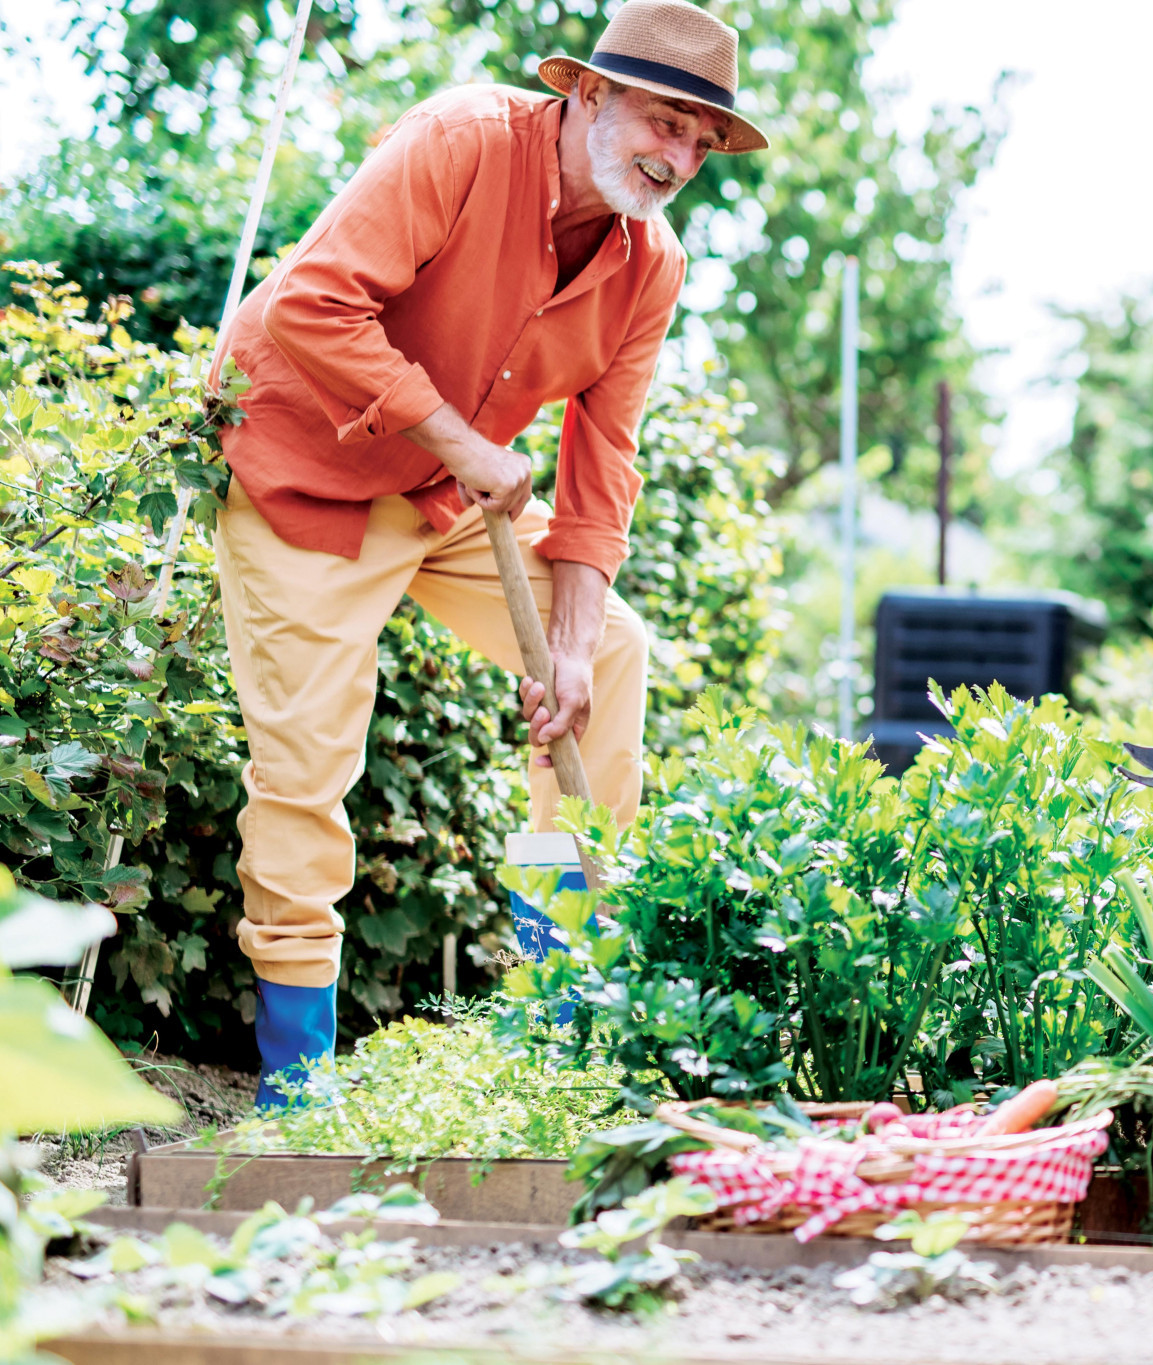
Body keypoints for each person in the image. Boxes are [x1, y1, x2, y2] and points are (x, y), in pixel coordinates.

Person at [211, 0, 770, 1108]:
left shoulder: (648, 264)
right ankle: (296, 1083)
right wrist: (463, 443)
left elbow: (603, 458)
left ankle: (560, 1022)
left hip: (434, 492)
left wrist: (561, 642)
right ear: (590, 94)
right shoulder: (462, 141)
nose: (679, 157)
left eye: (702, 143)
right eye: (665, 121)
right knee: (309, 763)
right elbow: (311, 308)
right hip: (299, 473)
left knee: (607, 654)